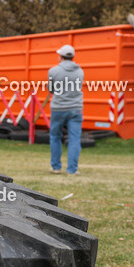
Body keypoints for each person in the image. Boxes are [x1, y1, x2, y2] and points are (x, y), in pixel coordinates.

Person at [48, 44, 84, 174]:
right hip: (76, 108)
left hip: (58, 108)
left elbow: (51, 90)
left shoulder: (53, 71)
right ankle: (72, 169)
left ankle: (56, 167)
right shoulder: (80, 71)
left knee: (55, 136)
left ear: (61, 57)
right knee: (74, 138)